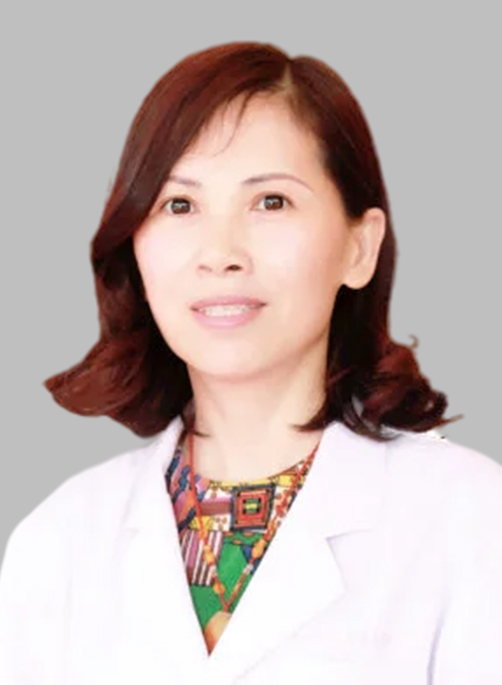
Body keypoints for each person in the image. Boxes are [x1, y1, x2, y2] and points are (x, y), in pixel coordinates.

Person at [1, 40, 501, 685]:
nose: (221, 253)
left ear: (360, 246)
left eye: (271, 202)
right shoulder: (59, 540)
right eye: (179, 205)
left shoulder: (470, 520)